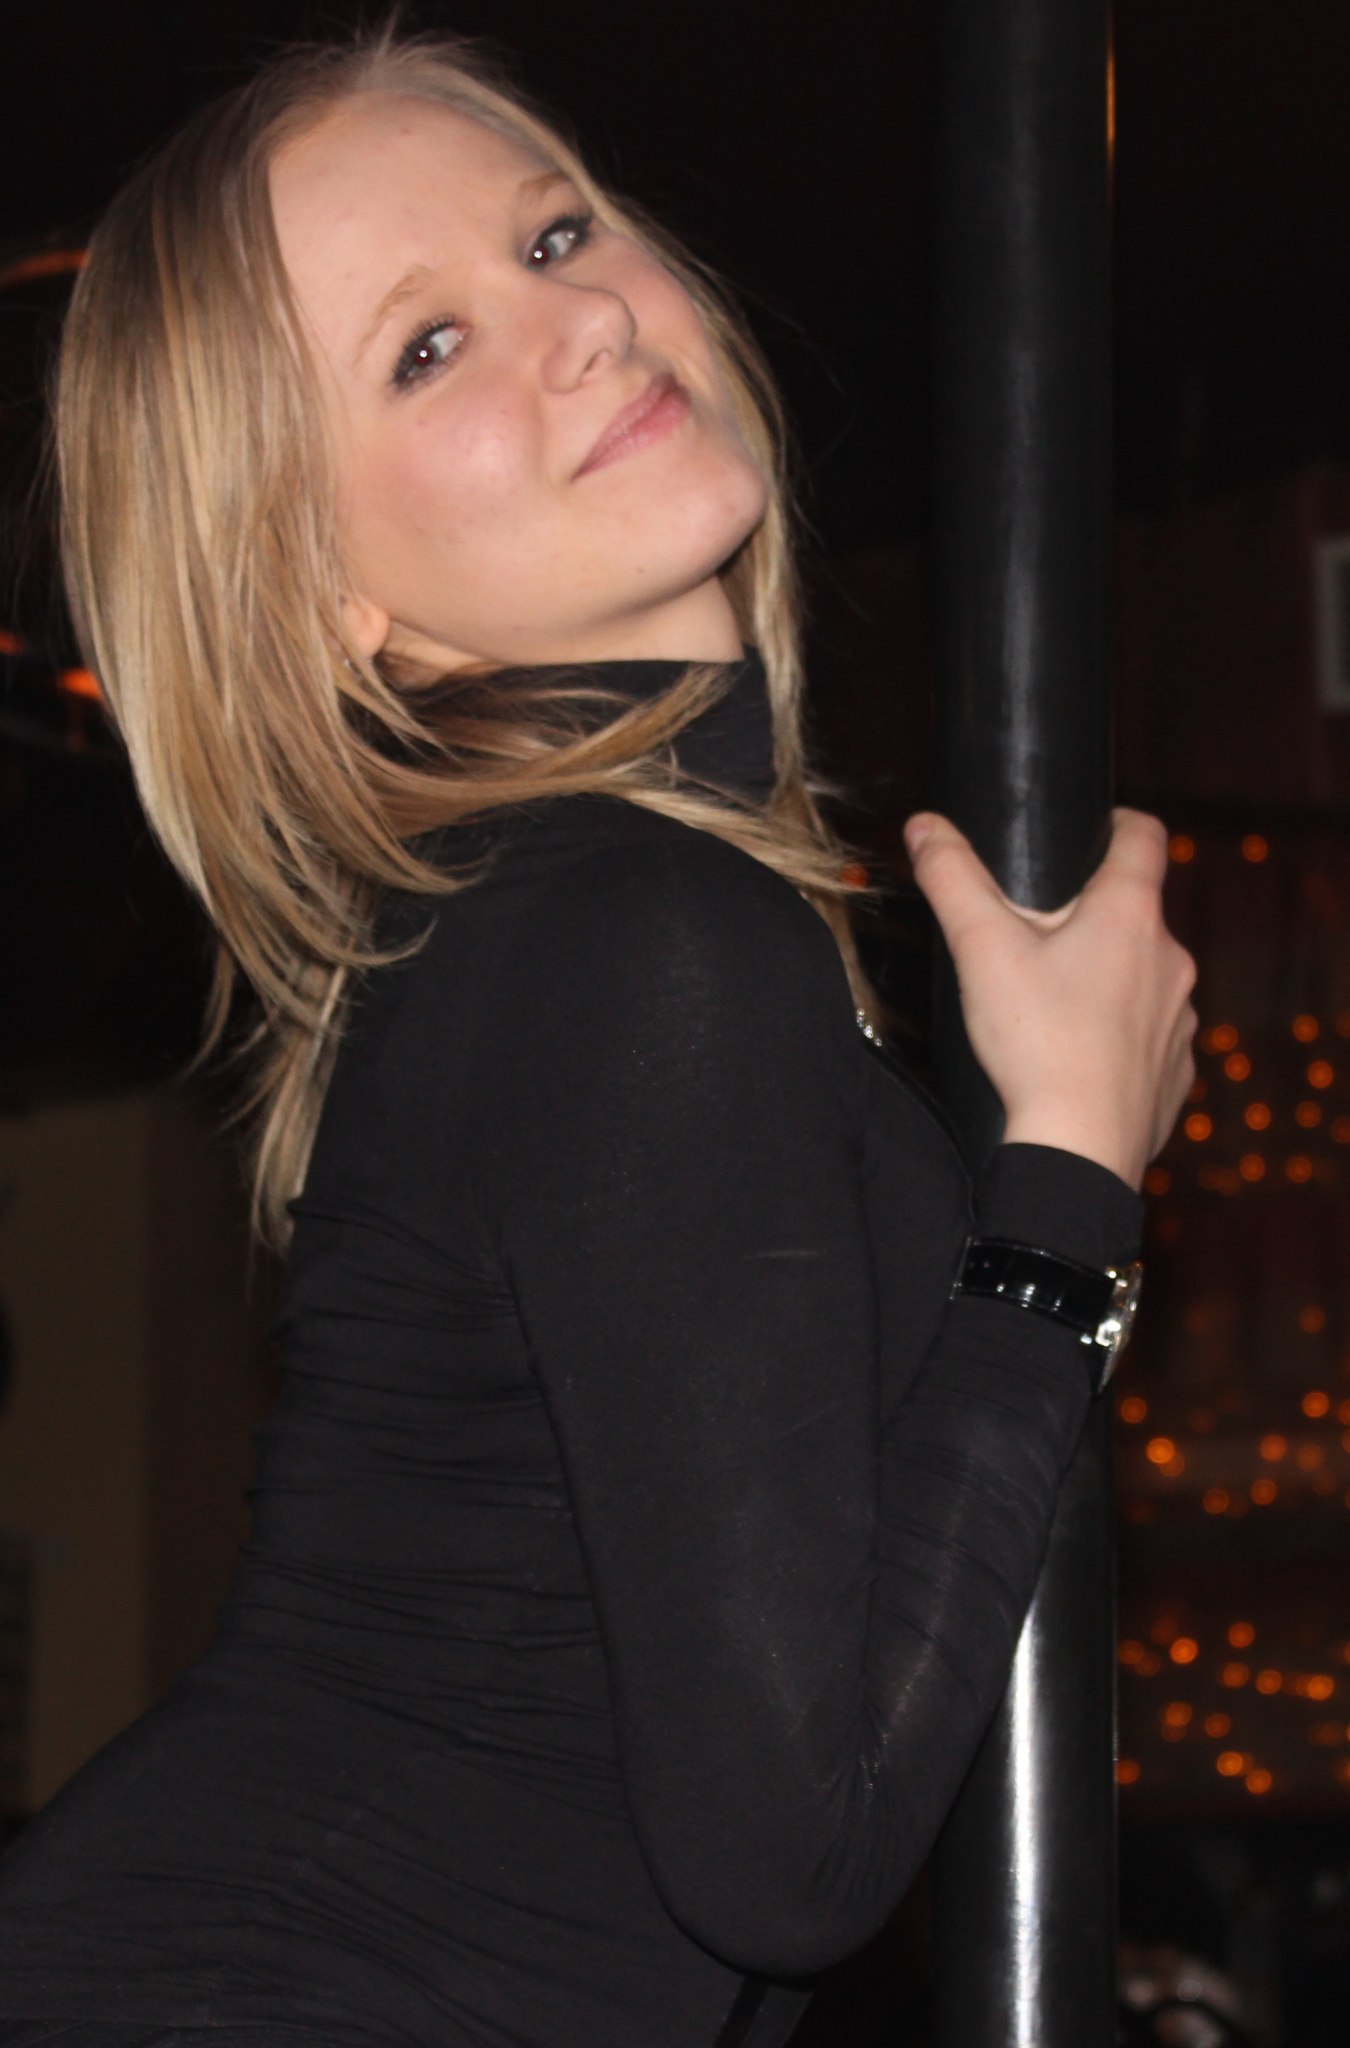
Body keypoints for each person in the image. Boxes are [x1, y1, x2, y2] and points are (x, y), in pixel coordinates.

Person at [0, 24, 1196, 2048]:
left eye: (554, 236)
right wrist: (1069, 1177)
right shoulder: (638, 938)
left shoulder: (567, 928)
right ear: (321, 592)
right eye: (425, 349)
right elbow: (791, 1855)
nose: (577, 324)